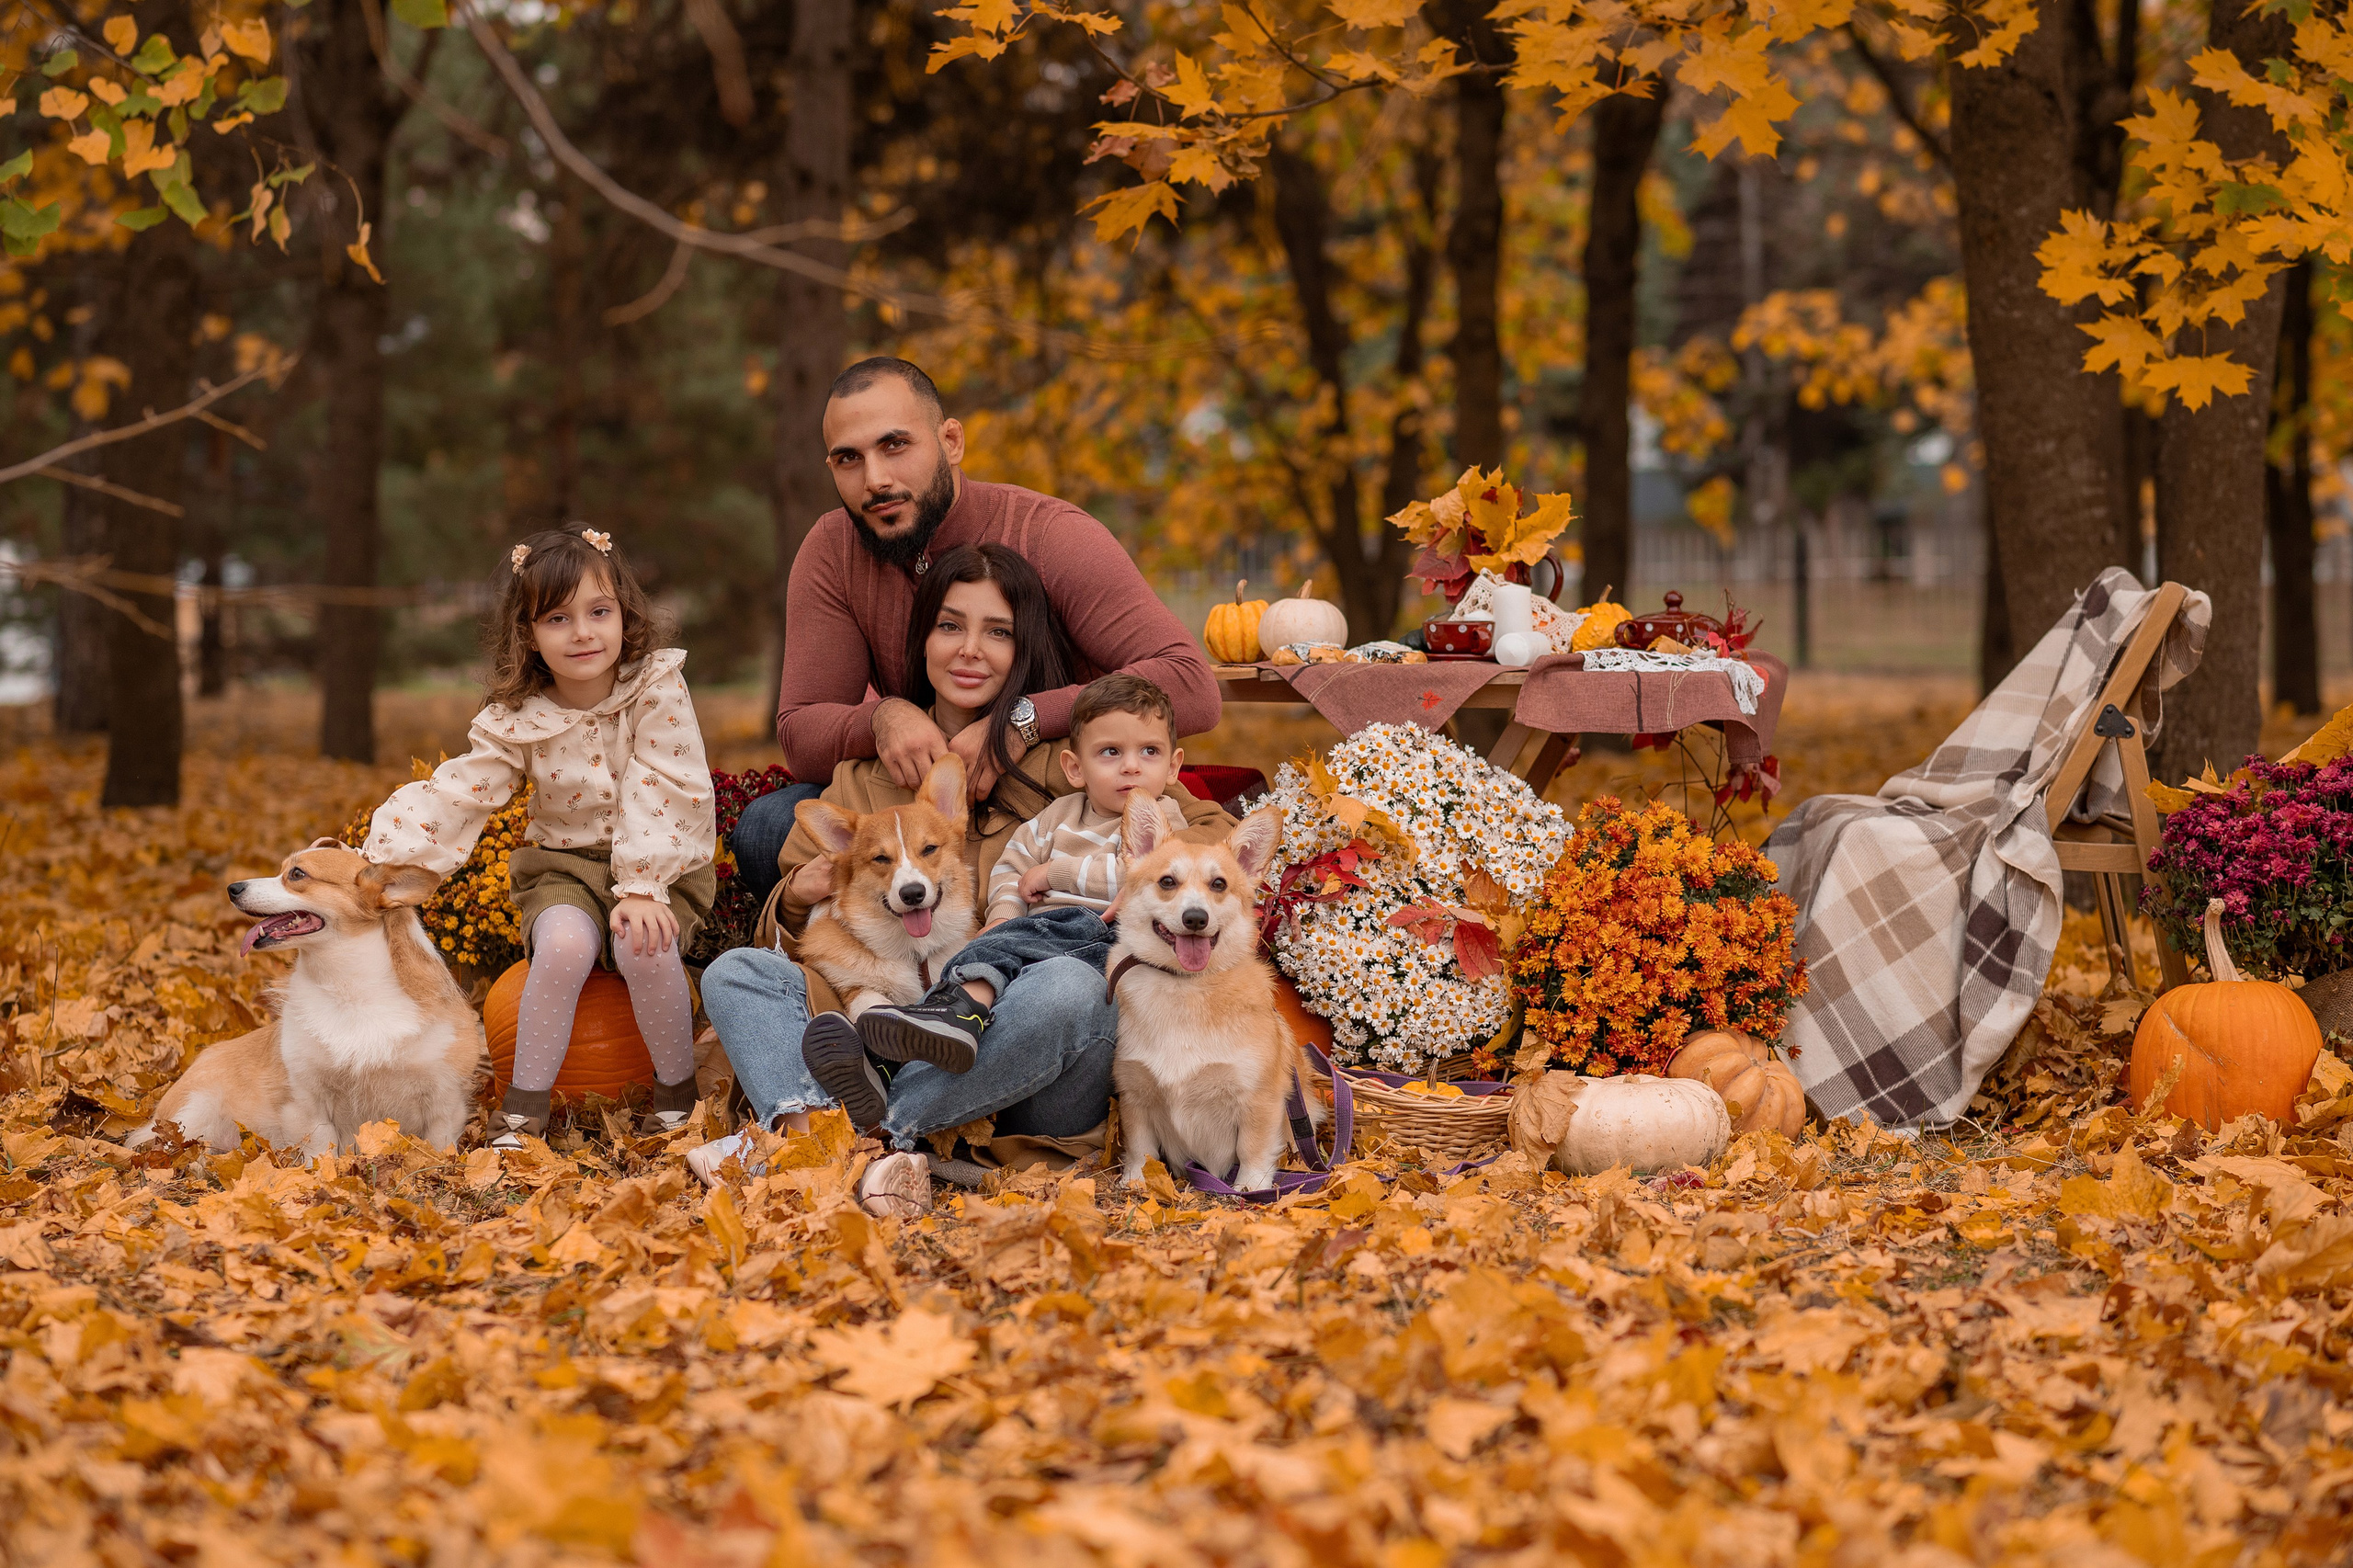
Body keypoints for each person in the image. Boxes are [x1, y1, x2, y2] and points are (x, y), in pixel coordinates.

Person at [690, 546, 1228, 1198]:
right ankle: (866, 1147)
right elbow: (793, 924)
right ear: (922, 643)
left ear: (1022, 648)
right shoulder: (862, 777)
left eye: (997, 632)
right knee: (738, 973)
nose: (970, 650)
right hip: (873, 1018)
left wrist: (1032, 747)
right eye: (949, 626)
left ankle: (838, 1139)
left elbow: (1204, 834)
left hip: (1021, 1056)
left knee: (1072, 986)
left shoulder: (1078, 762)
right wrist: (800, 892)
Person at [728, 356, 1220, 913]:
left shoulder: (1052, 536)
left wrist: (1023, 721)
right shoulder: (834, 549)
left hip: (1050, 794)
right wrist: (883, 717)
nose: (875, 480)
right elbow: (802, 730)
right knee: (766, 828)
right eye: (849, 459)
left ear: (951, 442)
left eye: (895, 446)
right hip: (920, 813)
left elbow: (1191, 684)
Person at [361, 527, 717, 1150]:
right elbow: (462, 790)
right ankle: (523, 1109)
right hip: (563, 868)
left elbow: (663, 781)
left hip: (658, 867)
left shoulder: (655, 688)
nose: (582, 632)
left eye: (598, 612)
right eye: (558, 618)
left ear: (624, 615)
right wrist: (385, 853)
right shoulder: (521, 717)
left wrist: (640, 885)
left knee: (644, 946)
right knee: (560, 947)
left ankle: (675, 1095)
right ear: (529, 634)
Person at [854, 672, 1188, 1070]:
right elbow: (1012, 865)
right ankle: (945, 1022)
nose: (1132, 767)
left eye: (1150, 752)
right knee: (987, 947)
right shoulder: (1056, 816)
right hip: (1034, 944)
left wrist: (1054, 875)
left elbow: (1149, 880)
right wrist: (1003, 916)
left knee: (1019, 947)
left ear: (1173, 766)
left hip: (1102, 937)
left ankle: (944, 1022)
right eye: (1111, 752)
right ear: (1075, 769)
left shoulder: (1162, 819)